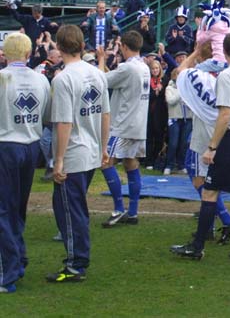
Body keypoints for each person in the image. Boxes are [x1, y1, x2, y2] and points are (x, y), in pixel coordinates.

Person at [170, 34, 230, 260]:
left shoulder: (227, 75)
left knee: (209, 191)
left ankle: (197, 246)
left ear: (226, 50)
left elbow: (225, 113)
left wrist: (212, 147)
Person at [48, 24, 110, 282]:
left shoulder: (63, 78)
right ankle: (77, 260)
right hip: (90, 150)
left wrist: (58, 161)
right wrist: (103, 147)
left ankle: (76, 264)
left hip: (74, 152)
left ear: (59, 47)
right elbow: (105, 114)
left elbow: (64, 122)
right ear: (82, 45)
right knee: (72, 208)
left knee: (70, 212)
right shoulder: (97, 74)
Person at [0, 33, 51, 293]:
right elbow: (47, 115)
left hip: (6, 146)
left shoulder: (2, 78)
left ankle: (8, 273)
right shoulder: (40, 79)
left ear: (4, 53)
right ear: (29, 53)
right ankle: (18, 259)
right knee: (18, 207)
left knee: (3, 210)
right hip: (31, 147)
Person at [96, 31, 151, 228]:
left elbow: (101, 81)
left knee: (105, 162)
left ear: (124, 47)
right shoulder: (144, 67)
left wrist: (101, 59)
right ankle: (133, 212)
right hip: (138, 124)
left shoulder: (127, 68)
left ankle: (119, 209)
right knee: (131, 163)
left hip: (122, 124)